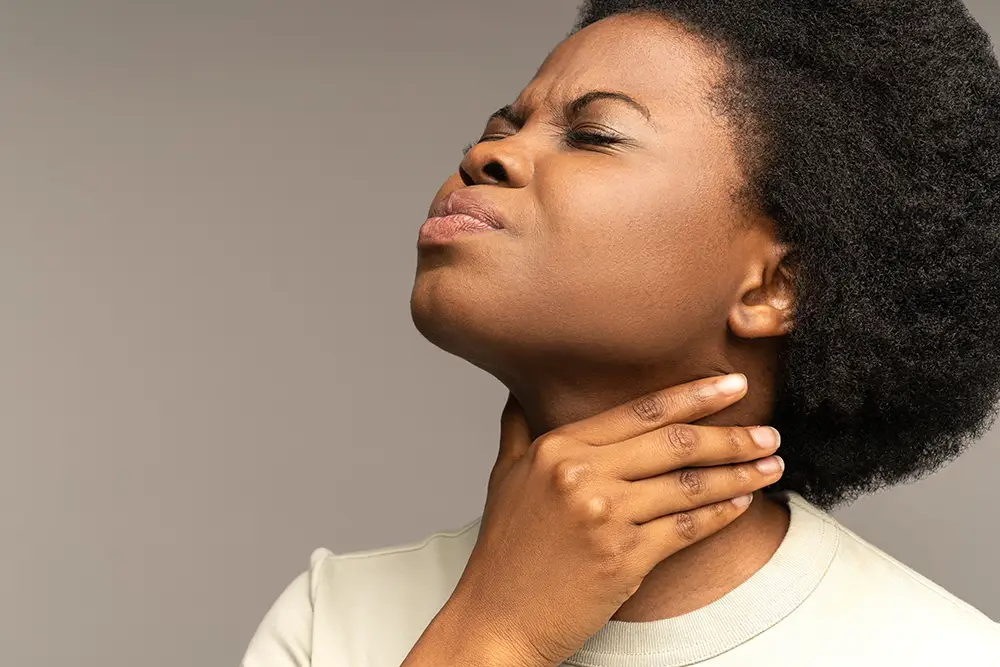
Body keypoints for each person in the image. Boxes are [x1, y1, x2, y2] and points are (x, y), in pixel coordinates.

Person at [242, 1, 1000, 665]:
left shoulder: (943, 654)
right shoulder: (331, 620)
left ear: (776, 286)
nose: (485, 154)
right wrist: (492, 632)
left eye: (594, 135)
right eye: (501, 127)